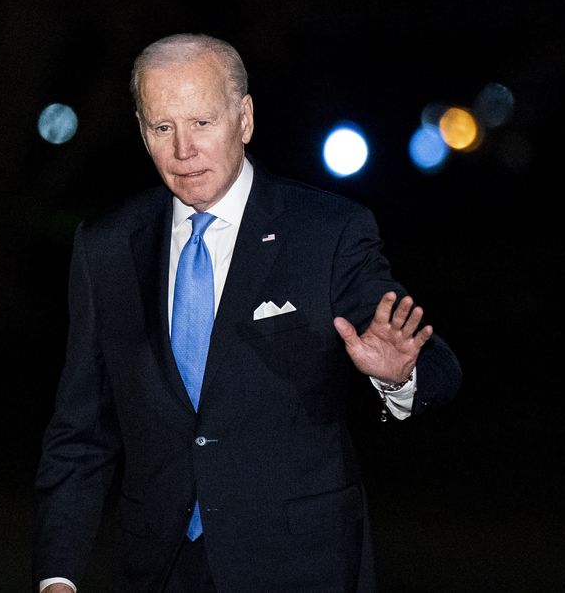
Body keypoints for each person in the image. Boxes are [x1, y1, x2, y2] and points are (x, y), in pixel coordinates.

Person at [32, 33, 462, 592]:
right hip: (159, 569)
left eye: (202, 124)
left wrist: (399, 374)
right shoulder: (107, 246)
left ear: (245, 119)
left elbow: (438, 369)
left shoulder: (326, 232)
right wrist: (57, 576)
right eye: (163, 128)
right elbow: (80, 429)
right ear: (142, 130)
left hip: (298, 566)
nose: (183, 150)